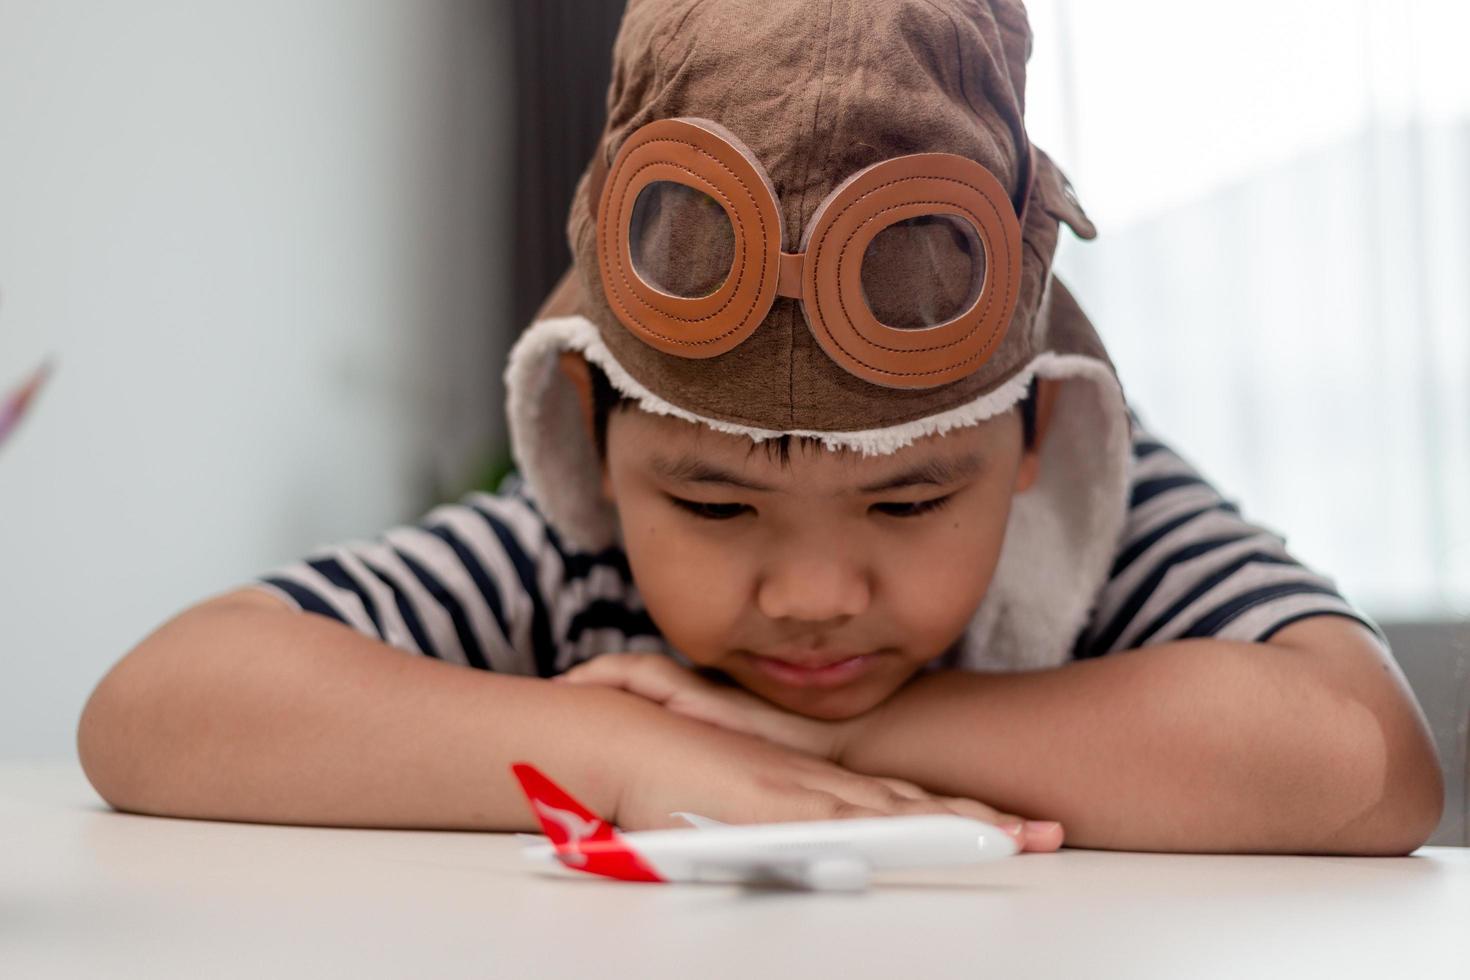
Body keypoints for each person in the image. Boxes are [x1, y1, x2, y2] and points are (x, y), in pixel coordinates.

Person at [78, 0, 1442, 855]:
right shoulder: (569, 556)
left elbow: (1365, 764)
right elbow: (153, 714)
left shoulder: (1095, 522)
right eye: (716, 505)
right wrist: (630, 752)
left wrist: (819, 743)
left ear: (1031, 442)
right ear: (592, 436)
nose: (810, 598)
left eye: (907, 504)